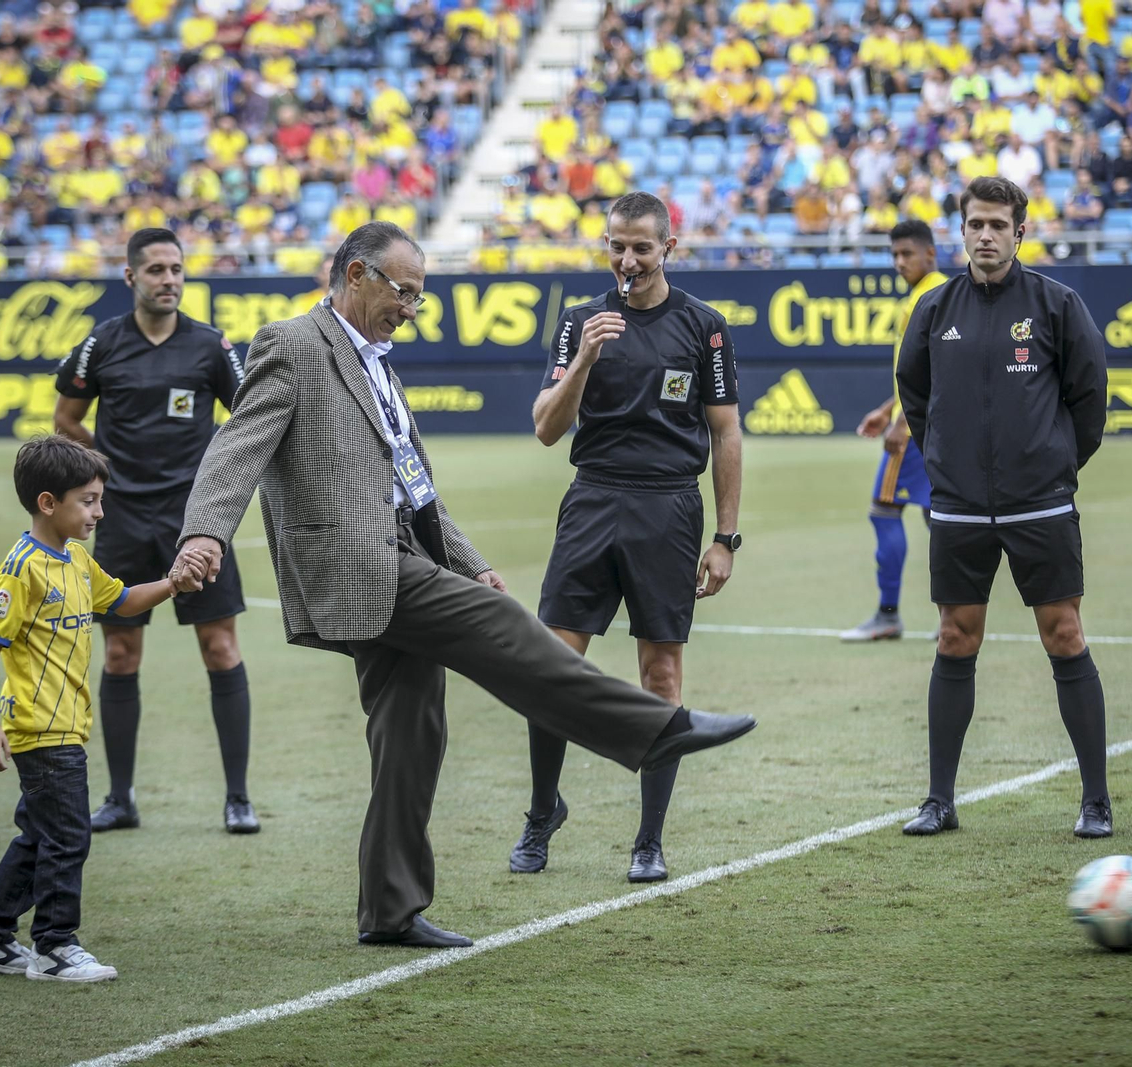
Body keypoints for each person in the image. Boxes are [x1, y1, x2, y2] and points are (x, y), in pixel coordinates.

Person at [171, 222, 755, 949]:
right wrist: (204, 531)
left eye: (418, 295)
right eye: (403, 291)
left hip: (401, 558)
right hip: (358, 564)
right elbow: (237, 445)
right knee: (500, 626)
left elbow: (415, 490)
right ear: (357, 275)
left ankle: (390, 908)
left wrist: (469, 559)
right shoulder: (291, 345)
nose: (411, 307)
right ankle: (650, 729)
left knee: (413, 730)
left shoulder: (378, 361)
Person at [513, 191, 743, 884]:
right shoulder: (581, 321)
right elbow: (547, 428)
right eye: (617, 245)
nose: (628, 258)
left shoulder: (704, 326)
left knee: (661, 675)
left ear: (668, 247)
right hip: (591, 501)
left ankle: (649, 839)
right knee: (553, 669)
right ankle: (541, 809)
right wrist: (583, 358)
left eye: (642, 246)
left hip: (669, 510)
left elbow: (726, 431)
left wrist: (727, 536)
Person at [895, 176, 1111, 839]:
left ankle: (1096, 799)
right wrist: (946, 461)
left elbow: (1089, 394)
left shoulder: (1056, 303)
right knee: (955, 638)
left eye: (997, 224)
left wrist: (1054, 464)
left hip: (1039, 503)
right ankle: (939, 799)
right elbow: (914, 389)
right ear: (960, 231)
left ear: (1021, 231)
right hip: (959, 506)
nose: (985, 235)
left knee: (1064, 634)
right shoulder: (934, 309)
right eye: (974, 224)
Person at [0, 437, 200, 983]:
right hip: (41, 728)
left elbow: (120, 602)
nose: (99, 511)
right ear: (49, 503)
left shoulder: (76, 559)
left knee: (41, 835)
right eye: (88, 500)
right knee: (69, 838)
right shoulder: (23, 568)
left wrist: (173, 583)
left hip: (67, 725)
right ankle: (55, 947)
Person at [54, 228, 258, 835]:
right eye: (156, 271)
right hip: (119, 521)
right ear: (131, 279)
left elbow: (249, 416)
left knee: (220, 648)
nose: (169, 280)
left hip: (196, 520)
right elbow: (65, 417)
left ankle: (238, 798)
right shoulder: (101, 344)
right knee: (119, 653)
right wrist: (101, 469)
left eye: (177, 269)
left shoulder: (210, 346)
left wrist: (219, 480)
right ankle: (120, 799)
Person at [842, 219, 948, 643]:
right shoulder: (938, 292)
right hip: (933, 427)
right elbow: (918, 369)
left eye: (907, 254)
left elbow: (934, 372)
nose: (899, 262)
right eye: (895, 255)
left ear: (930, 254)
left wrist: (901, 424)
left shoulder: (926, 298)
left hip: (918, 430)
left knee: (883, 510)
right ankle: (956, 615)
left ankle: (888, 616)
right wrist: (888, 410)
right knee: (938, 519)